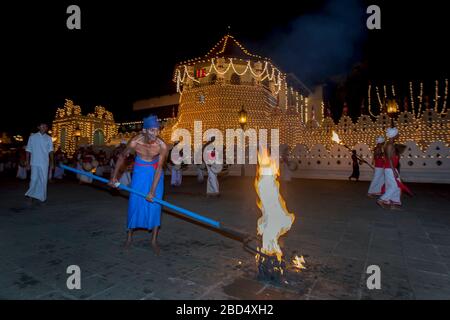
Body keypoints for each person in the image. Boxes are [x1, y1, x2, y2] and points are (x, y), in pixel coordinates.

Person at [109, 115, 168, 254]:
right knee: (135, 203)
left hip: (155, 172)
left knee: (155, 205)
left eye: (157, 130)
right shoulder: (135, 142)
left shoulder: (162, 145)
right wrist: (114, 177)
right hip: (140, 170)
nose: (156, 133)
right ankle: (129, 237)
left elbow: (159, 168)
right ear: (144, 130)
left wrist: (152, 191)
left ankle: (153, 240)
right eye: (152, 130)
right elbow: (122, 157)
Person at [25, 123, 54, 203]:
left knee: (43, 180)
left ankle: (42, 197)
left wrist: (52, 162)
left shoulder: (49, 138)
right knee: (33, 179)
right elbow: (28, 150)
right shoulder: (32, 137)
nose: (44, 127)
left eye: (46, 126)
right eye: (42, 126)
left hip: (45, 162)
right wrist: (27, 162)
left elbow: (51, 151)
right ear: (38, 127)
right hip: (34, 162)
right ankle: (31, 195)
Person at [377, 127, 402, 210]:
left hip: (389, 168)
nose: (398, 135)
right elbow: (389, 158)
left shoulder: (389, 144)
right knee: (395, 186)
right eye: (397, 134)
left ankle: (393, 204)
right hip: (390, 168)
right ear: (394, 135)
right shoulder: (390, 145)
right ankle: (382, 199)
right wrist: (393, 170)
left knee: (392, 186)